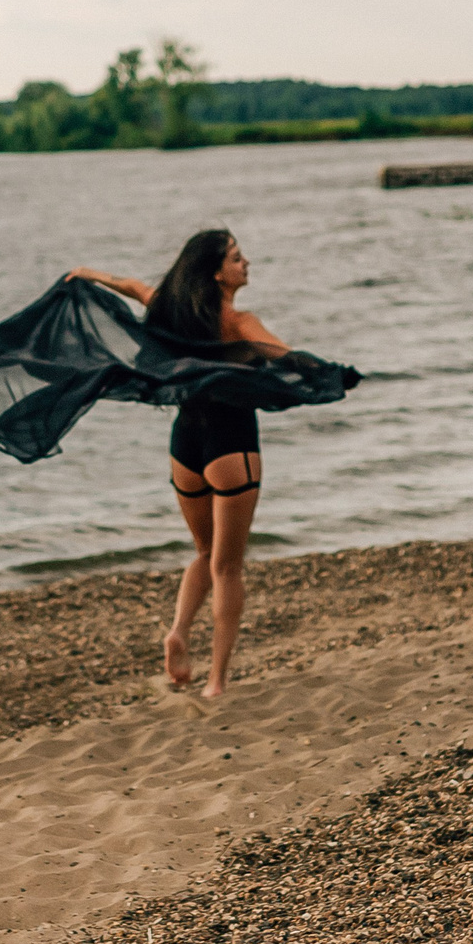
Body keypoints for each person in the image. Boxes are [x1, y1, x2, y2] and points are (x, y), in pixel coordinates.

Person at [66, 230, 288, 698]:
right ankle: (217, 681)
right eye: (236, 258)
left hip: (185, 446)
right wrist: (329, 375)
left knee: (205, 553)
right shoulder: (240, 322)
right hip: (231, 445)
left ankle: (178, 631)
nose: (246, 263)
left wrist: (88, 274)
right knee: (228, 567)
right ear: (216, 273)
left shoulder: (172, 312)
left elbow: (133, 287)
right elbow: (287, 359)